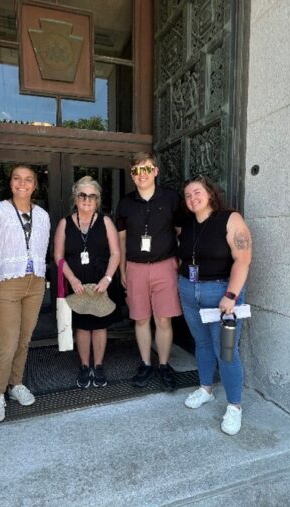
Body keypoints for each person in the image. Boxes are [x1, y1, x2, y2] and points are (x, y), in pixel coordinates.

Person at [177, 175, 252, 435]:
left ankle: (234, 406)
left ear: (209, 193)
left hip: (221, 293)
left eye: (196, 192)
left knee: (227, 352)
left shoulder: (230, 219)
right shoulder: (187, 224)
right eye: (187, 195)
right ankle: (206, 388)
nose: (192, 198)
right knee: (203, 344)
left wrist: (231, 295)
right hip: (189, 290)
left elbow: (243, 260)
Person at [0, 165, 50, 423]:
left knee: (24, 339)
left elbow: (41, 247)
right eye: (17, 179)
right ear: (10, 183)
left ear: (35, 185)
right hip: (6, 282)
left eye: (28, 180)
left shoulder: (43, 215)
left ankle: (16, 384)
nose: (22, 184)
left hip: (34, 283)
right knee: (6, 343)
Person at [115, 152, 182, 391]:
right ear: (132, 176)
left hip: (165, 266)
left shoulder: (172, 198)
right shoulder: (125, 203)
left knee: (163, 319)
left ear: (155, 171)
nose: (141, 175)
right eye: (136, 171)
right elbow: (122, 241)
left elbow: (180, 231)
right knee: (141, 318)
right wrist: (123, 269)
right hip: (135, 267)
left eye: (146, 169)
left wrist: (181, 263)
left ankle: (164, 365)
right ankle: (146, 364)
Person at [53, 176, 121, 388]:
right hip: (78, 285)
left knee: (100, 326)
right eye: (83, 195)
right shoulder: (65, 223)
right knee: (82, 327)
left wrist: (108, 279)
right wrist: (71, 278)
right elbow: (58, 256)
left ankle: (98, 365)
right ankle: (84, 365)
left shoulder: (106, 221)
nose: (87, 199)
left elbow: (116, 253)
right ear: (75, 197)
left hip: (101, 284)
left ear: (98, 200)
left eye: (92, 196)